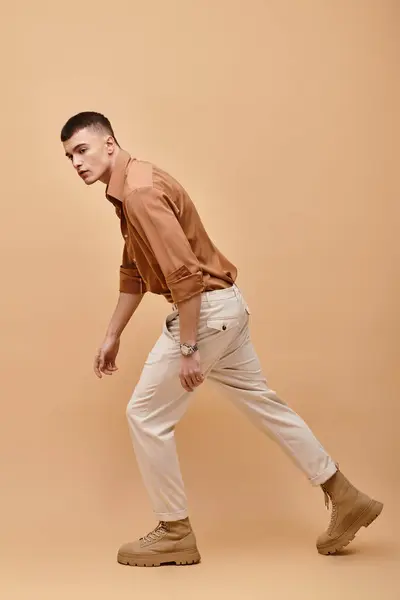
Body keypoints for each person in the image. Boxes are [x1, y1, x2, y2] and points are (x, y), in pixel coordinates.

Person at [61, 111, 383, 567]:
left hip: (206, 313)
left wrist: (189, 348)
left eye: (82, 150)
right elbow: (133, 270)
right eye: (69, 156)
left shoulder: (139, 193)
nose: (76, 162)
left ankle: (174, 531)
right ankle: (344, 494)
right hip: (227, 307)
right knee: (264, 403)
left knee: (145, 415)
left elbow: (186, 277)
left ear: (109, 144)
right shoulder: (131, 186)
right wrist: (112, 334)